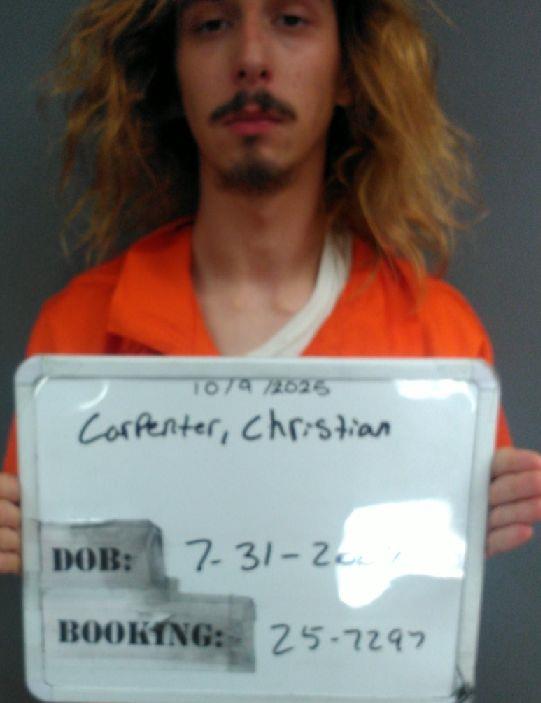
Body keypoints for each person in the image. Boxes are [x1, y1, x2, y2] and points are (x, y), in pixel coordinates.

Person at [1, 0, 540, 575]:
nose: (251, 59)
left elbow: (432, 578)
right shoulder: (78, 332)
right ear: (174, 76)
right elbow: (59, 571)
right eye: (212, 25)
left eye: (291, 20)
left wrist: (482, 514)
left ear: (348, 72)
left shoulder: (439, 339)